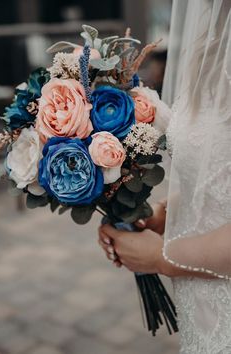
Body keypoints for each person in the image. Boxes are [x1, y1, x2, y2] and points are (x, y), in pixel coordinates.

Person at [98, 1, 231, 353]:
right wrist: (163, 213)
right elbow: (218, 175)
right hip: (203, 310)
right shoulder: (214, 44)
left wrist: (162, 258)